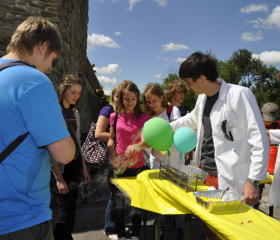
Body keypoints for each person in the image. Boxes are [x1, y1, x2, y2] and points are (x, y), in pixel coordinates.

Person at [170, 51, 269, 240]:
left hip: (234, 179)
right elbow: (192, 119)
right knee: (212, 230)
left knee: (237, 231)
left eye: (189, 82)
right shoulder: (202, 99)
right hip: (207, 177)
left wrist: (254, 181)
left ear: (202, 78)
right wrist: (166, 128)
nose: (188, 88)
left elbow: (259, 139)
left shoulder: (239, 95)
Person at [0, 17, 76, 239]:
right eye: (52, 58)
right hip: (20, 217)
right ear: (43, 46)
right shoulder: (34, 80)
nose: (51, 67)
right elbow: (65, 153)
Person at [108, 81, 150, 240]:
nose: (130, 102)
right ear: (121, 99)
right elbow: (111, 139)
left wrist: (138, 145)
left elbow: (146, 141)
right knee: (118, 205)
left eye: (133, 99)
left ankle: (135, 234)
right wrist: (110, 147)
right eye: (127, 99)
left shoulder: (144, 117)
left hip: (137, 167)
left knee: (136, 203)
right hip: (118, 166)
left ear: (137, 99)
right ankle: (120, 233)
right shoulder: (114, 116)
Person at [51, 74, 90, 240]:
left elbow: (78, 143)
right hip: (61, 170)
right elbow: (50, 146)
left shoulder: (75, 113)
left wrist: (84, 168)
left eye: (79, 93)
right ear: (63, 90)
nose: (76, 96)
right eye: (73, 92)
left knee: (72, 211)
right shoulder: (54, 112)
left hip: (75, 168)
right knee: (66, 213)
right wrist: (58, 178)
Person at [143, 83, 185, 240]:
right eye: (148, 102)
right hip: (157, 161)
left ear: (162, 98)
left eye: (154, 100)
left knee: (178, 193)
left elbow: (175, 131)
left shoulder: (172, 110)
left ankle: (181, 227)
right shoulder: (149, 118)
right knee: (160, 193)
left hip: (175, 159)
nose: (151, 105)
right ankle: (161, 223)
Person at [84, 85, 122, 240]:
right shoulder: (108, 110)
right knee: (115, 192)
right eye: (118, 96)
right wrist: (121, 136)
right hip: (109, 153)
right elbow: (98, 133)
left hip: (118, 155)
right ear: (112, 97)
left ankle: (117, 226)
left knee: (119, 193)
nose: (120, 99)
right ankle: (110, 227)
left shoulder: (124, 112)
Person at [256, 103, 280, 208]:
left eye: (271, 120)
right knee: (256, 193)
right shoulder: (255, 124)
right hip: (258, 163)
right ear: (260, 115)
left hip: (273, 164)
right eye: (266, 119)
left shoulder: (277, 125)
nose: (269, 122)